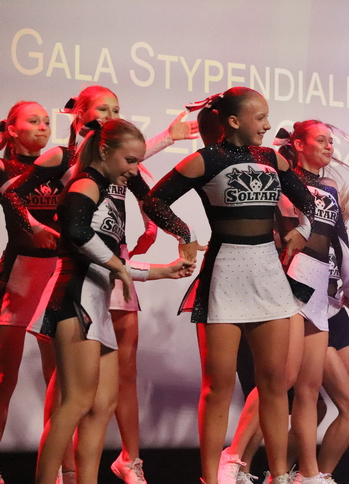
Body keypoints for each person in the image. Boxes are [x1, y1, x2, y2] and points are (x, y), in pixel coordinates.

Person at [6, 85, 198, 484]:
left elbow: (125, 244)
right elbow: (77, 234)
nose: (135, 170)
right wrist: (39, 230)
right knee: (73, 401)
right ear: (105, 148)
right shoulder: (82, 181)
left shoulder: (111, 183)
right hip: (74, 298)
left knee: (102, 403)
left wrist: (166, 262)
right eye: (130, 161)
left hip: (100, 299)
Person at [143, 87, 316, 484]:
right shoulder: (205, 160)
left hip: (269, 277)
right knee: (217, 387)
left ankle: (279, 476)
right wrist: (184, 234)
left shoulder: (272, 158)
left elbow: (308, 201)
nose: (268, 125)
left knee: (274, 385)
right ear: (234, 121)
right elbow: (154, 200)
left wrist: (303, 230)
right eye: (261, 118)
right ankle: (210, 478)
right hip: (224, 275)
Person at [217, 122, 349, 484]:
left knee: (309, 392)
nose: (329, 146)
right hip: (291, 282)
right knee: (282, 378)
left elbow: (340, 242)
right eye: (321, 140)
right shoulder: (282, 179)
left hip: (323, 291)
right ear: (298, 145)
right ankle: (234, 456)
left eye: (331, 141)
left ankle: (308, 474)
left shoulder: (328, 188)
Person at [0, 101, 58, 484]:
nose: (42, 127)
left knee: (59, 379)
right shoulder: (4, 168)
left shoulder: (59, 165)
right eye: (33, 121)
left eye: (47, 121)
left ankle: (59, 470)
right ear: (12, 128)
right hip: (19, 276)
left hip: (57, 274)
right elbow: (11, 196)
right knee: (5, 378)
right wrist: (34, 227)